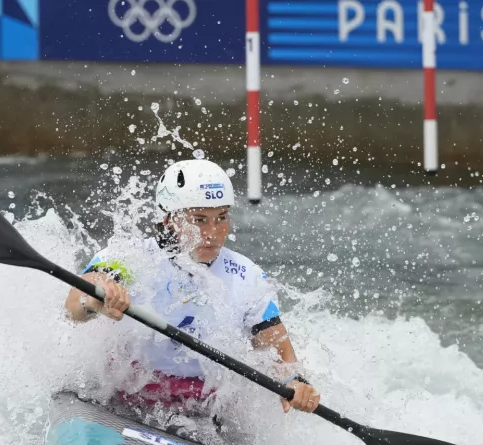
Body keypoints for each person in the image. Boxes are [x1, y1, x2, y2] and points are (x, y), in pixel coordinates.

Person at [63, 158, 321, 416]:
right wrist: (94, 301)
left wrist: (295, 382)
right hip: (122, 397)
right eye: (199, 220)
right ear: (168, 220)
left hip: (203, 412)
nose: (212, 232)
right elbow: (75, 303)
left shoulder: (246, 277)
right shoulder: (133, 257)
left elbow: (280, 356)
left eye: (221, 218)